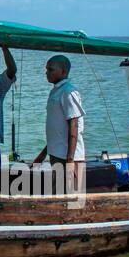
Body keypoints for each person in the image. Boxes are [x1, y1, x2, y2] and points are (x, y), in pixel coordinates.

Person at [33, 54, 85, 193]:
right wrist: (43, 154)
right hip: (56, 154)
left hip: (67, 156)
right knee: (59, 195)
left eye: (51, 69)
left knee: (73, 197)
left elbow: (73, 127)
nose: (46, 73)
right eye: (46, 69)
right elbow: (56, 129)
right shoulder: (56, 91)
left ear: (62, 71)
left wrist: (70, 161)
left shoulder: (68, 92)